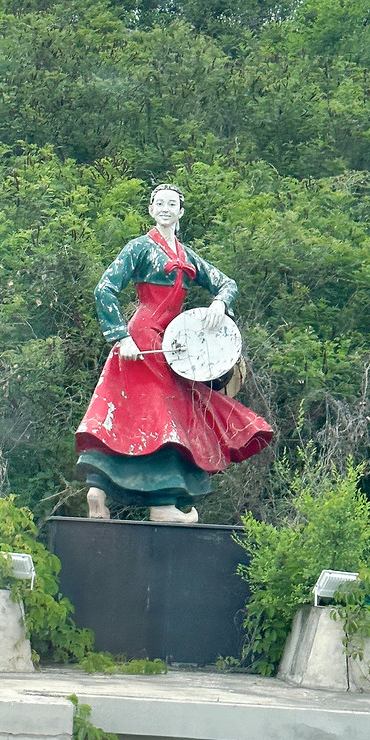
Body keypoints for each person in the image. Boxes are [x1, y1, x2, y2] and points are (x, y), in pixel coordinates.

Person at [75, 184, 272, 524]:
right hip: (142, 339)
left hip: (172, 345)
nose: (165, 209)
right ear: (151, 209)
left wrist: (219, 304)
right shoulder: (139, 247)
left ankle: (100, 490)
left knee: (140, 417)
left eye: (172, 204)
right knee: (165, 420)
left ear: (180, 212)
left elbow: (227, 284)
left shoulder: (186, 254)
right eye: (159, 203)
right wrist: (122, 337)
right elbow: (104, 288)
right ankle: (161, 506)